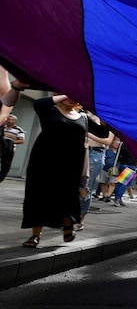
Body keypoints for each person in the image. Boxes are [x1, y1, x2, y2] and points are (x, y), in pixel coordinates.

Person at [20, 92, 93, 247]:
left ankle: (68, 225)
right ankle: (35, 236)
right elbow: (38, 103)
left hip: (71, 164)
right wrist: (67, 94)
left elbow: (103, 132)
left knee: (66, 196)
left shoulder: (83, 117)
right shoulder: (50, 110)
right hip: (44, 161)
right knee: (38, 197)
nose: (73, 98)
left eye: (76, 96)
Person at [1, 113, 25, 182]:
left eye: (11, 120)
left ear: (15, 121)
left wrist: (9, 142)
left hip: (9, 149)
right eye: (8, 119)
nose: (9, 121)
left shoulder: (18, 129)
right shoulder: (2, 127)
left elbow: (21, 141)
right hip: (0, 147)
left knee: (6, 164)